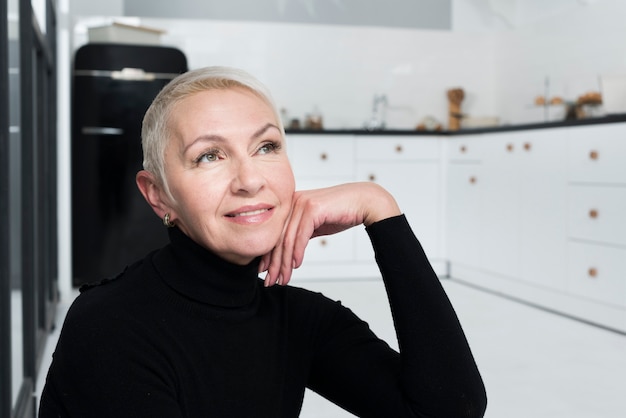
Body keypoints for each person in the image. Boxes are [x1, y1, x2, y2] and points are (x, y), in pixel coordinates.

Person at [39, 66, 487, 417]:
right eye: (209, 156)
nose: (250, 180)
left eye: (266, 147)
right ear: (158, 196)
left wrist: (380, 208)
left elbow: (449, 408)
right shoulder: (110, 325)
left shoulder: (297, 318)